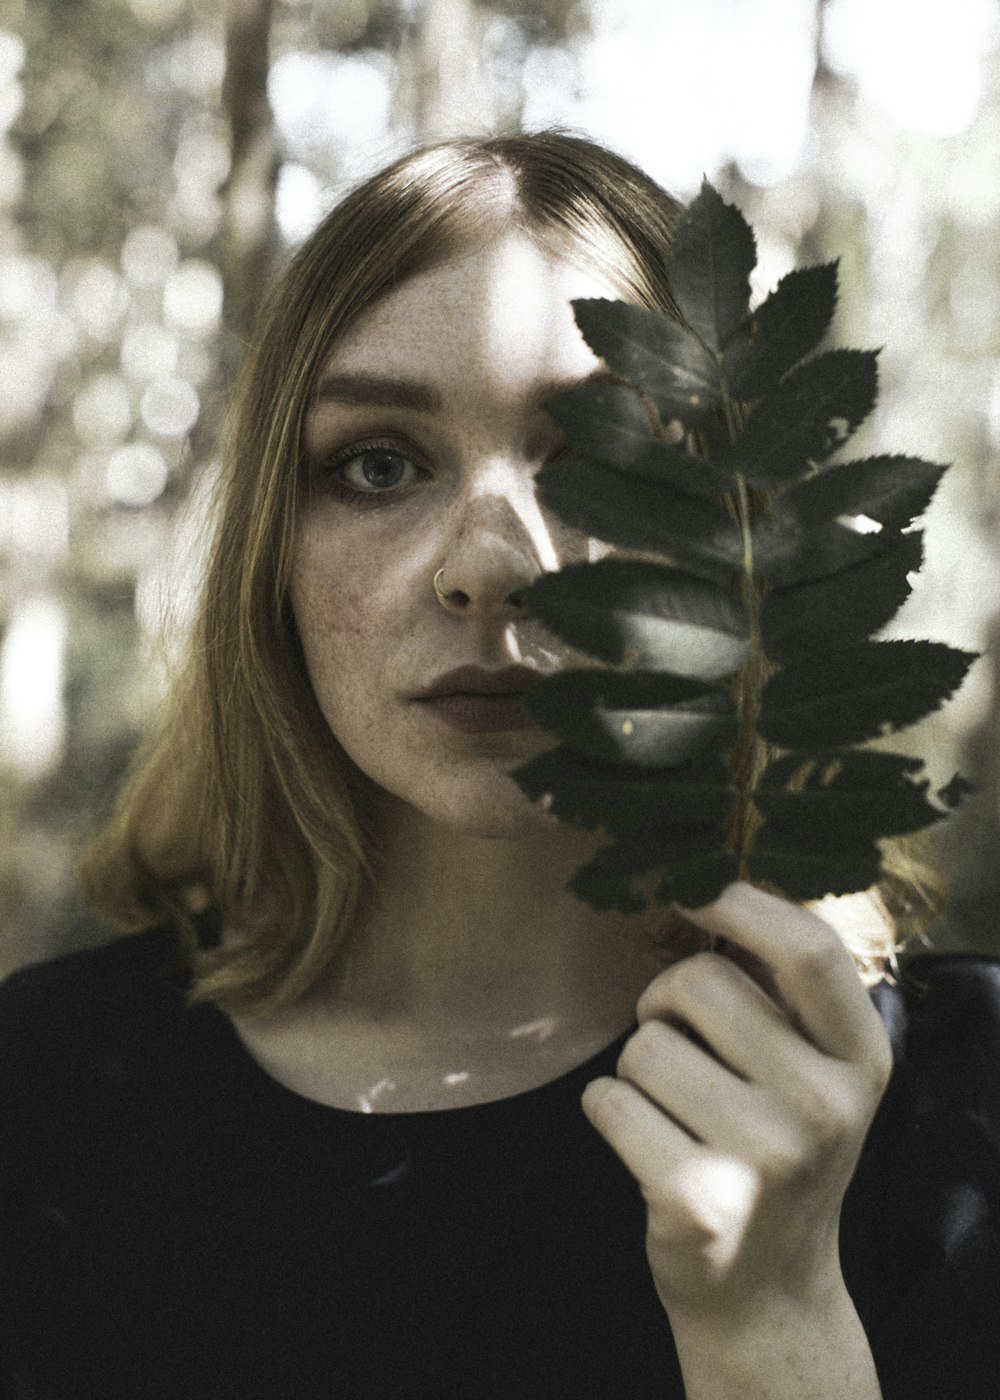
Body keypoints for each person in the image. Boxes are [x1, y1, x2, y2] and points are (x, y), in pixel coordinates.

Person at [1, 131, 997, 1400]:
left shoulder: (956, 1109)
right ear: (274, 557)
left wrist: (776, 1321)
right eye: (377, 464)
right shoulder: (42, 1090)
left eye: (592, 462)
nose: (491, 562)